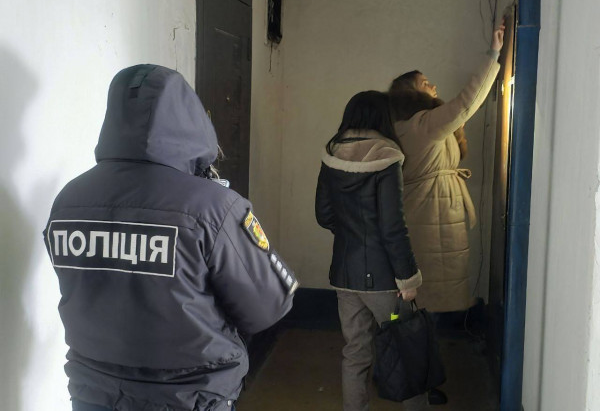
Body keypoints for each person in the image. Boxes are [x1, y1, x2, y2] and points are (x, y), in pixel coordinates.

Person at [43, 64, 298, 411]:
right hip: (189, 396)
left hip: (94, 393)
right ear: (190, 122)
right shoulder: (213, 206)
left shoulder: (69, 198)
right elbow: (267, 308)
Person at [315, 91, 426, 411]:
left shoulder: (332, 154)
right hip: (384, 281)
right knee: (406, 350)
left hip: (344, 275)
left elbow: (324, 215)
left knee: (355, 353)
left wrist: (353, 234)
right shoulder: (387, 157)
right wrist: (408, 278)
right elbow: (393, 227)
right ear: (383, 118)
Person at [388, 24, 505, 313]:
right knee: (428, 295)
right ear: (411, 93)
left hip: (431, 210)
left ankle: (410, 336)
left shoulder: (413, 124)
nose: (434, 87)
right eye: (425, 83)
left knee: (424, 294)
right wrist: (493, 54)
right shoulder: (422, 125)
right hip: (431, 213)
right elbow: (466, 103)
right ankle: (414, 339)